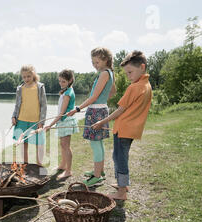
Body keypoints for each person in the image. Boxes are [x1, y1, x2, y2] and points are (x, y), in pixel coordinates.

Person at [92, 51, 153, 200]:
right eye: (127, 73)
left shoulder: (134, 87)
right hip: (133, 129)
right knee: (120, 156)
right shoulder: (146, 85)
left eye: (130, 72)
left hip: (123, 129)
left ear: (142, 67)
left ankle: (121, 193)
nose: (129, 76)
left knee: (120, 158)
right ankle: (122, 184)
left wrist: (102, 122)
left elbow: (120, 110)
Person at [68, 47, 116, 187]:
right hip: (100, 109)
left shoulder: (104, 74)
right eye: (93, 62)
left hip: (96, 112)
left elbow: (93, 97)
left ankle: (96, 176)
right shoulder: (109, 73)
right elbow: (111, 93)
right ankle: (99, 171)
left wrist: (77, 109)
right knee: (98, 143)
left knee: (95, 144)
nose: (95, 65)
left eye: (97, 62)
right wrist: (102, 103)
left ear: (105, 60)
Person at [44, 69, 78, 179]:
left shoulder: (68, 93)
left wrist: (50, 125)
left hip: (66, 121)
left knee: (66, 146)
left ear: (70, 80)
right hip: (62, 121)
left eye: (63, 81)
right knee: (63, 145)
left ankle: (68, 171)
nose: (60, 83)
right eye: (59, 81)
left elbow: (61, 113)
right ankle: (63, 165)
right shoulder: (66, 90)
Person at [12, 65, 47, 165]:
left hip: (36, 121)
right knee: (23, 144)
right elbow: (17, 104)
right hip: (21, 120)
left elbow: (44, 106)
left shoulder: (40, 87)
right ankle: (25, 165)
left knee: (39, 144)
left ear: (33, 75)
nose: (26, 79)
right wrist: (14, 116)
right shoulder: (20, 88)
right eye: (24, 77)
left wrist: (42, 122)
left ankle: (39, 166)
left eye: (28, 76)